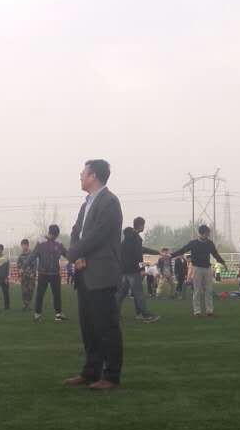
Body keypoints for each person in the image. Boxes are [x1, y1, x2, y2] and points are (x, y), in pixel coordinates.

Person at [64, 159, 124, 389]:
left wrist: (73, 253)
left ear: (94, 176)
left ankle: (111, 376)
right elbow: (76, 232)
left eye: (84, 173)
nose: (80, 176)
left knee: (107, 327)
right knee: (88, 327)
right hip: (84, 272)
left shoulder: (110, 202)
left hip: (101, 273)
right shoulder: (86, 203)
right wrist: (77, 255)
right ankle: (91, 372)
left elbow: (98, 235)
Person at [172, 225, 226, 316]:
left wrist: (222, 262)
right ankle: (197, 311)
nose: (208, 235)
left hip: (207, 268)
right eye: (207, 233)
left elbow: (215, 254)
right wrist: (171, 255)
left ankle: (209, 311)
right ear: (202, 233)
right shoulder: (193, 243)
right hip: (197, 268)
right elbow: (183, 250)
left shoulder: (210, 243)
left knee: (208, 290)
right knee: (196, 290)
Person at [116, 217, 159, 323]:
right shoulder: (136, 238)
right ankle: (144, 315)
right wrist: (142, 269)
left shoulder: (126, 238)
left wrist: (158, 252)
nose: (144, 227)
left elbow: (141, 250)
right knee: (139, 294)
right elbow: (138, 255)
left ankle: (113, 313)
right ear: (140, 225)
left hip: (124, 271)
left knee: (121, 294)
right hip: (133, 271)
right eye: (143, 225)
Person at [31, 224, 67, 322]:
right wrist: (24, 266)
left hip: (55, 273)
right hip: (43, 273)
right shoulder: (41, 242)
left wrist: (76, 259)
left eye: (56, 235)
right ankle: (37, 314)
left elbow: (66, 254)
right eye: (55, 235)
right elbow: (33, 255)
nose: (55, 237)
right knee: (40, 294)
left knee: (57, 295)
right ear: (51, 233)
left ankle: (58, 315)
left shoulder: (59, 243)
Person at [16, 239, 36, 311]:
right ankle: (25, 304)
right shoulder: (20, 256)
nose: (24, 246)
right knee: (24, 291)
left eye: (25, 245)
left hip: (31, 276)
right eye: (23, 245)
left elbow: (35, 265)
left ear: (28, 245)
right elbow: (18, 265)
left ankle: (29, 304)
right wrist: (19, 273)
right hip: (23, 276)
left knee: (30, 290)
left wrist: (33, 273)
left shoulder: (32, 254)